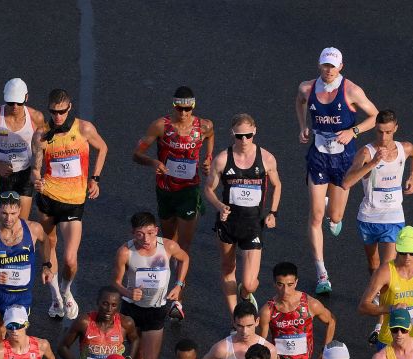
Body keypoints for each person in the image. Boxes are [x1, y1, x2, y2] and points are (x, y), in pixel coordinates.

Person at [294, 47, 379, 294]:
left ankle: (334, 209)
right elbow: (299, 102)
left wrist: (352, 131)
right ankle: (322, 273)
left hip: (344, 160)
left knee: (336, 217)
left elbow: (374, 116)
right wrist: (303, 126)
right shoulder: (306, 88)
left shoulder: (351, 90)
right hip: (319, 156)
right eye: (325, 65)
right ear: (319, 65)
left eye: (333, 66)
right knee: (316, 215)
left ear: (341, 67)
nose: (328, 70)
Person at [133, 87, 215, 320]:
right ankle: (161, 287)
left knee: (183, 249)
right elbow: (136, 154)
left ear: (193, 107)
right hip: (166, 190)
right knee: (168, 243)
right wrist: (153, 162)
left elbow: (211, 135)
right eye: (180, 108)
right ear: (174, 106)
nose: (184, 113)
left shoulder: (204, 126)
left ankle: (177, 299)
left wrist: (208, 158)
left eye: (188, 109)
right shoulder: (161, 126)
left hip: (189, 191)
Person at [31, 88, 109, 320]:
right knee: (49, 246)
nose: (58, 117)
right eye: (53, 112)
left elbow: (102, 148)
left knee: (70, 259)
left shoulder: (83, 129)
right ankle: (55, 297)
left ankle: (66, 291)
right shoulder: (41, 135)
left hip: (73, 202)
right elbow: (36, 168)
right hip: (47, 198)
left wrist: (95, 178)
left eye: (62, 112)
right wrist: (37, 181)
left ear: (69, 108)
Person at [203, 114, 281, 311]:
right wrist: (220, 206)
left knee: (249, 283)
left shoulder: (266, 158)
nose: (244, 140)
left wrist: (273, 212)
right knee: (228, 269)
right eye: (239, 136)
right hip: (228, 223)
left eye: (248, 135)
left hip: (253, 225)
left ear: (254, 131)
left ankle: (245, 294)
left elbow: (277, 185)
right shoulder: (222, 159)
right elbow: (208, 189)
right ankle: (234, 317)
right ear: (232, 134)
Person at [112, 211, 190, 359]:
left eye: (150, 233)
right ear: (133, 233)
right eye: (140, 234)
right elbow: (115, 282)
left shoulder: (168, 246)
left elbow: (184, 259)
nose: (146, 239)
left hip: (156, 310)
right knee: (136, 358)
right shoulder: (125, 252)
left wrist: (178, 285)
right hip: (131, 309)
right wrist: (128, 292)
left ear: (156, 230)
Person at [341, 109, 413, 271]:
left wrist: (412, 177)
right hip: (369, 216)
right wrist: (372, 163)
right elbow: (346, 183)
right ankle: (376, 294)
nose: (384, 137)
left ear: (396, 128)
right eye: (380, 132)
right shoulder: (366, 153)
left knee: (387, 267)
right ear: (375, 127)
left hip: (394, 215)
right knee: (373, 264)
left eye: (388, 132)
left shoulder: (404, 148)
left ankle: (384, 296)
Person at [357, 225, 413, 348]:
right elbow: (363, 307)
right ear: (397, 248)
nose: (407, 257)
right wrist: (391, 309)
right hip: (390, 341)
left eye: (412, 253)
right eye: (403, 252)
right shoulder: (384, 273)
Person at [0, 78, 47, 220]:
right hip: (2, 174)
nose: (14, 106)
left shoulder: (36, 118)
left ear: (26, 97)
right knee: (4, 223)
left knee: (21, 222)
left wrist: (36, 170)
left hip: (25, 173)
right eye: (10, 102)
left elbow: (42, 146)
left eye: (19, 102)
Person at [57, 286, 139, 359]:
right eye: (105, 303)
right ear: (97, 302)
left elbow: (135, 340)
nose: (109, 309)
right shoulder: (84, 322)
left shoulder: (126, 323)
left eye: (114, 305)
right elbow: (62, 347)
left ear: (118, 306)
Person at [0, 191, 50, 316]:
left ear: (20, 210)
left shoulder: (34, 229)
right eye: (4, 213)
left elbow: (46, 241)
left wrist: (46, 265)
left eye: (13, 213)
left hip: (21, 296)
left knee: (16, 333)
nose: (9, 218)